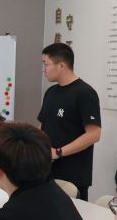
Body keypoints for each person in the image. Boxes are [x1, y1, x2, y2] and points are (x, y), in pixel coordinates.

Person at [37, 42, 102, 199]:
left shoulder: (85, 93)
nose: (44, 69)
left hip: (73, 175)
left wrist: (59, 152)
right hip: (46, 172)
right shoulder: (50, 92)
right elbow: (42, 126)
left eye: (46, 64)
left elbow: (94, 134)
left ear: (61, 65)